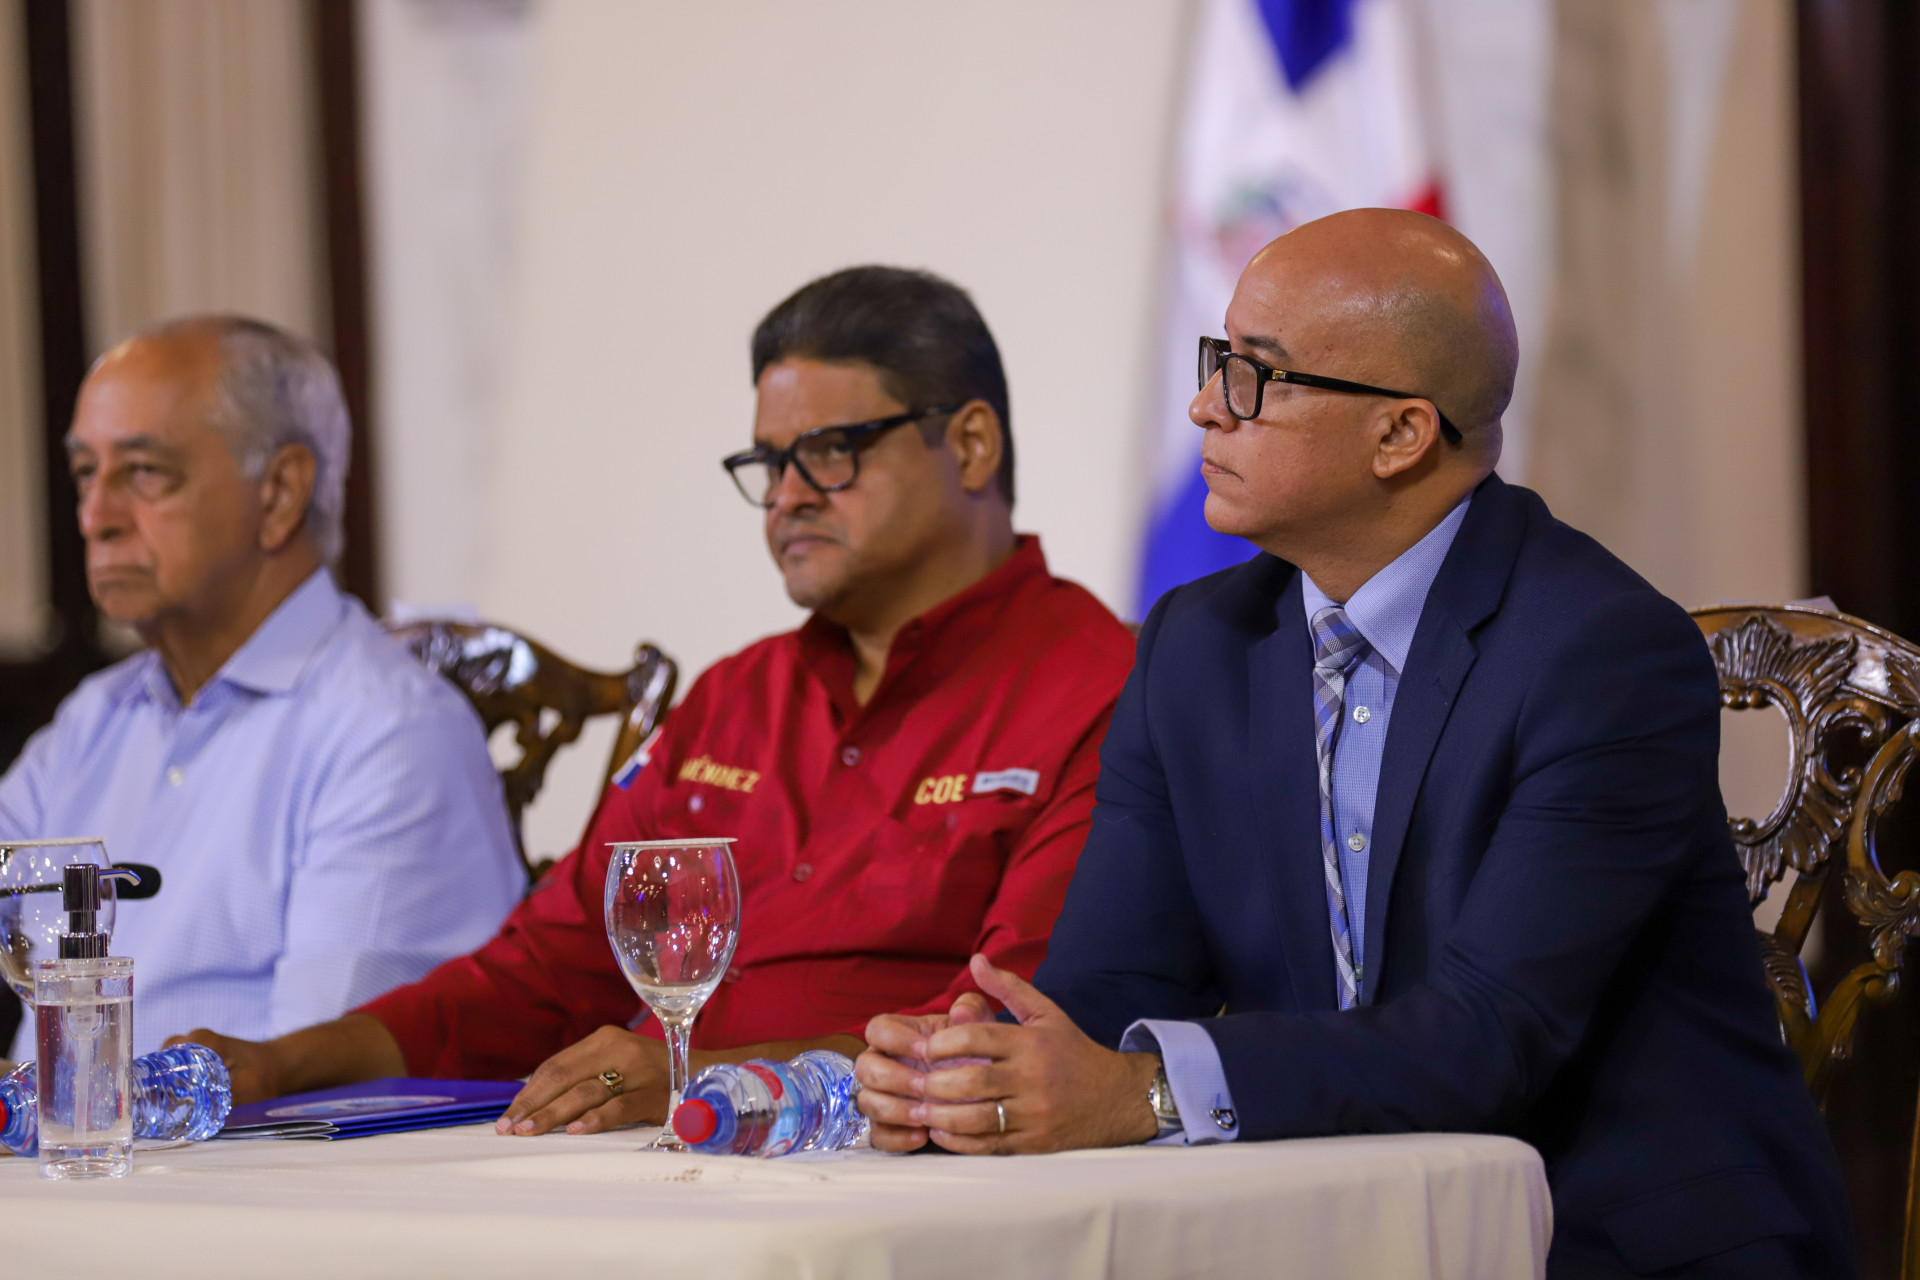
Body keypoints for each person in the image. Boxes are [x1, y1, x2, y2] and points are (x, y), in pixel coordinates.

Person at [854, 212, 1855, 1278]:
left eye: (1256, 376)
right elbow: (1115, 985)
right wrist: (979, 1065)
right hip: (1327, 1220)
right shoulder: (1196, 646)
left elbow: (1491, 1034)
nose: (1205, 406)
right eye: (1217, 360)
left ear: (1401, 435)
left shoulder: (1602, 650)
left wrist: (1146, 1090)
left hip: (1605, 1230)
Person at [177, 266, 1137, 1137]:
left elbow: (997, 1029)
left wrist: (703, 1080)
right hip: (648, 1164)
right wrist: (278, 1064)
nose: (787, 497)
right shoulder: (736, 696)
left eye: (829, 452)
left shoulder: (1103, 688)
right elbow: (541, 972)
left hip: (894, 1179)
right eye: (769, 463)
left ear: (970, 444)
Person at [0, 316, 523, 1059]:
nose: (94, 518)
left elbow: (317, 1086)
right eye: (87, 473)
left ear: (278, 493)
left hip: (240, 1136)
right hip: (60, 1132)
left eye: (144, 472)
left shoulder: (386, 732)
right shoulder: (96, 718)